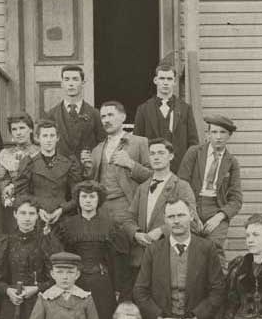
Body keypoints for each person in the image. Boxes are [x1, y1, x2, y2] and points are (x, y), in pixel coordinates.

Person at [54, 180, 130, 319]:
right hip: (75, 282)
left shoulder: (110, 225)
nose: (88, 201)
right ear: (78, 199)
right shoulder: (67, 226)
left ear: (99, 199)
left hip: (101, 282)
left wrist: (117, 288)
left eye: (92, 197)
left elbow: (117, 261)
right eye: (84, 197)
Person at [120, 139, 199, 277]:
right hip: (142, 259)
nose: (156, 157)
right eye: (152, 153)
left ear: (171, 156)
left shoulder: (181, 186)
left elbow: (192, 221)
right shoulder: (142, 188)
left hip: (169, 256)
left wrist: (162, 231)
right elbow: (128, 218)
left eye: (161, 153)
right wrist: (136, 233)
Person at [177, 115, 243, 266]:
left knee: (214, 251)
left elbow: (236, 199)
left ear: (229, 136)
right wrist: (192, 213)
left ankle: (218, 288)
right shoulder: (194, 152)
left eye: (222, 132)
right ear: (207, 134)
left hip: (216, 209)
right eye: (214, 132)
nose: (218, 137)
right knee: (187, 249)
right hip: (191, 205)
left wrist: (219, 217)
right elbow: (181, 185)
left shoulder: (231, 163)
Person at [82, 101, 152, 223]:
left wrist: (131, 164)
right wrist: (87, 168)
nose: (106, 120)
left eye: (110, 115)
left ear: (123, 117)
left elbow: (153, 177)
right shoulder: (97, 149)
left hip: (128, 208)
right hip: (101, 210)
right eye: (103, 117)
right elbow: (91, 182)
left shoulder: (140, 142)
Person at [14, 120, 83, 229]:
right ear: (38, 138)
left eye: (52, 136)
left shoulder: (69, 163)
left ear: (57, 138)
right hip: (36, 218)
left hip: (64, 218)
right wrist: (38, 209)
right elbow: (21, 194)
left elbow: (77, 194)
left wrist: (62, 209)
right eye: (45, 136)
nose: (49, 140)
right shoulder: (29, 163)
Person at [133, 64, 199, 167]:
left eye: (169, 79)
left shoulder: (185, 109)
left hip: (179, 169)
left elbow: (193, 143)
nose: (165, 82)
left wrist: (188, 168)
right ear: (155, 80)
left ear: (174, 82)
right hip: (152, 169)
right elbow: (137, 143)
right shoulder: (143, 109)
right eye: (162, 78)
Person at [46, 65, 106, 160]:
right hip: (60, 170)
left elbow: (103, 143)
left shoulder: (94, 113)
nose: (71, 84)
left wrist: (93, 157)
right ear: (62, 83)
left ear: (82, 83)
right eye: (66, 79)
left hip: (86, 170)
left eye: (75, 79)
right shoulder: (52, 114)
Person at [0, 111, 40, 233]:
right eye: (14, 129)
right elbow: (2, 180)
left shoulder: (40, 151)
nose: (18, 132)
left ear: (30, 129)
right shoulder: (5, 154)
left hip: (37, 205)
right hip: (13, 206)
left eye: (22, 128)